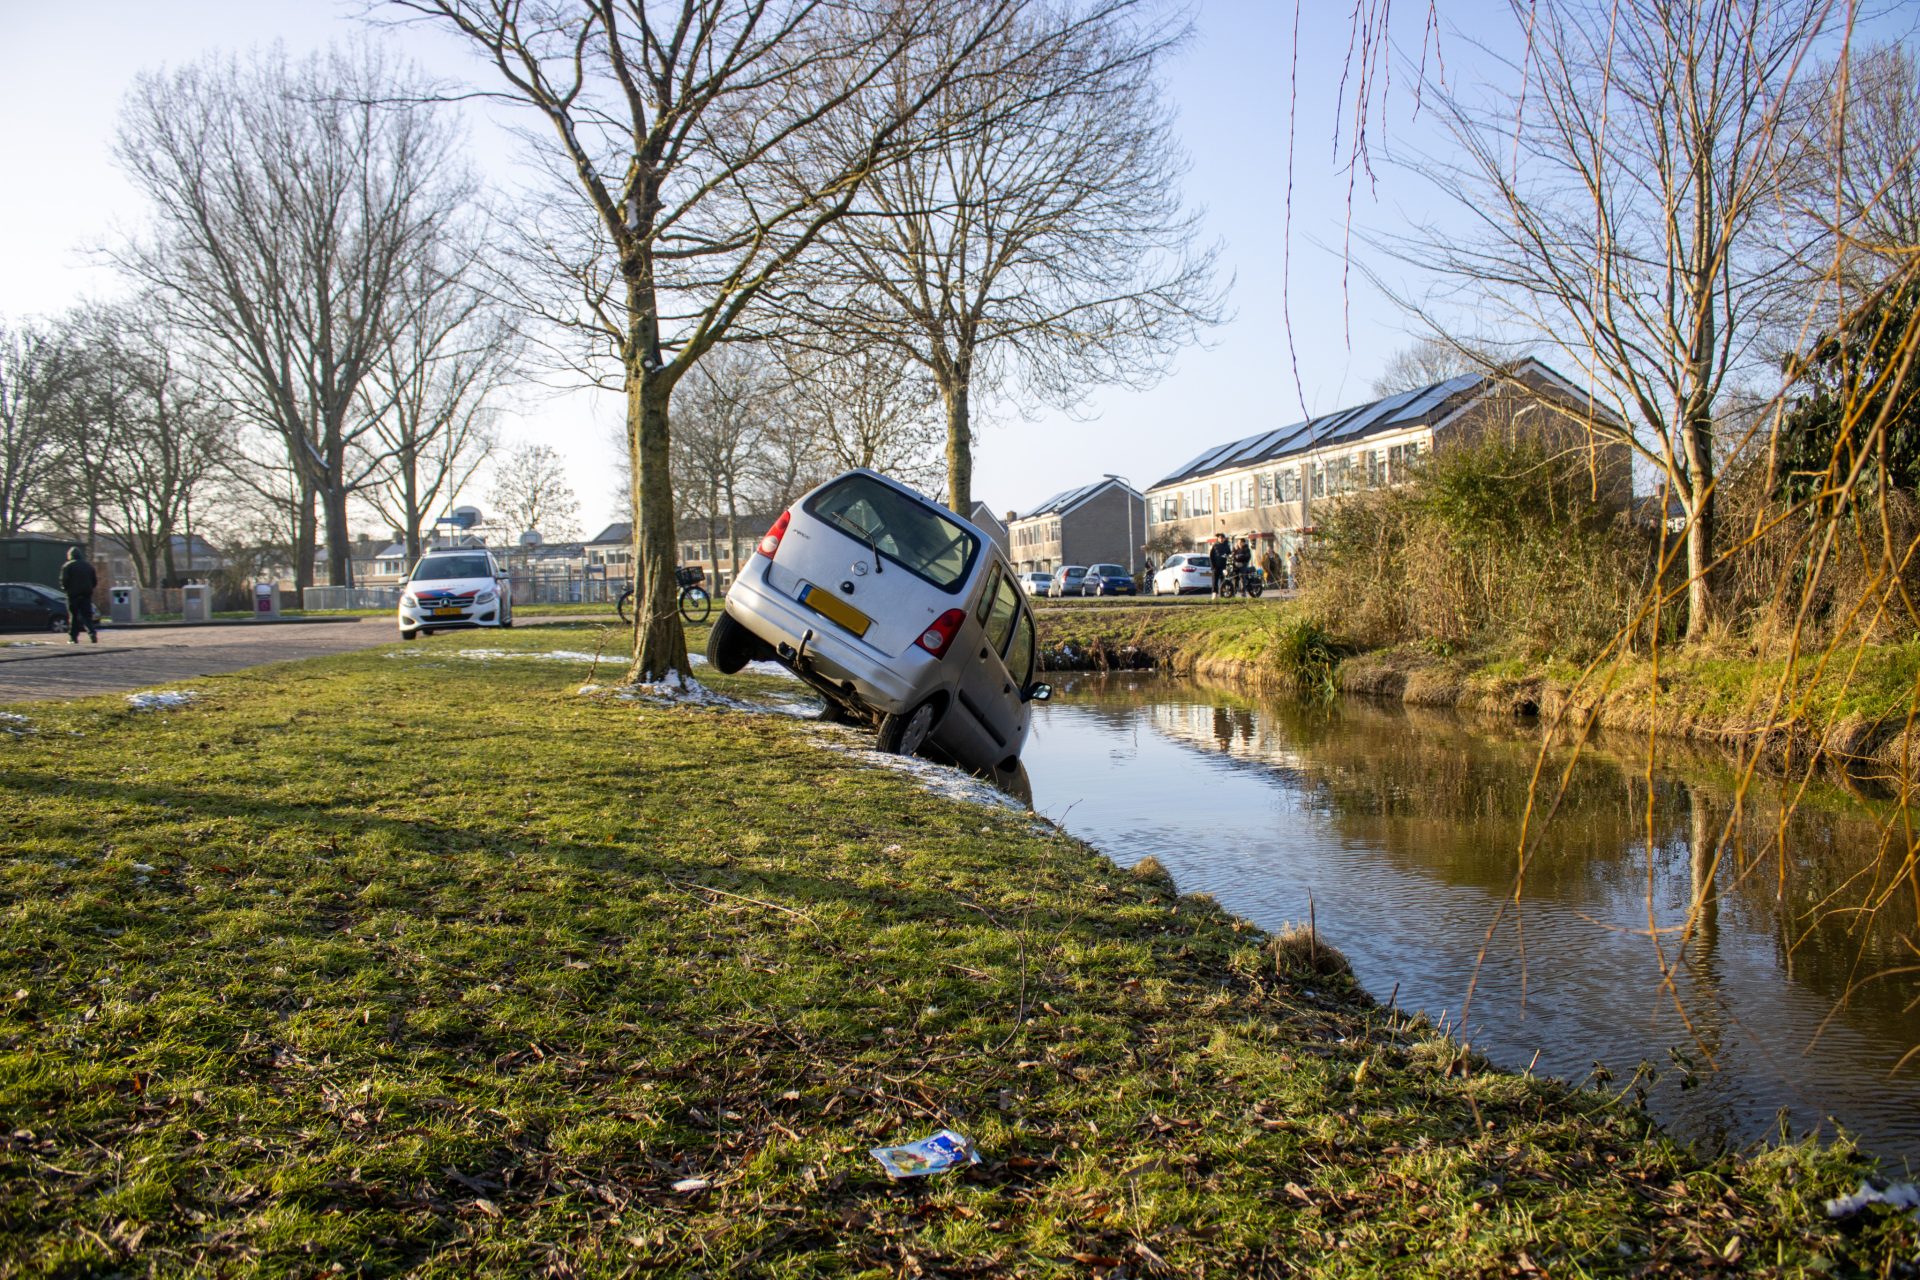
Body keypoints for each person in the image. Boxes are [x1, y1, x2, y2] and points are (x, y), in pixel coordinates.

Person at [60, 546, 99, 644]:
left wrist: (66, 589)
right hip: (86, 594)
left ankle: (73, 637)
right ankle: (92, 634)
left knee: (73, 616)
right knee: (87, 616)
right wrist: (89, 589)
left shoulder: (67, 566)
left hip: (73, 595)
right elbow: (94, 581)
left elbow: (64, 580)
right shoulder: (88, 566)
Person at [1207, 532, 1229, 597]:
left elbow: (1230, 556)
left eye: (1222, 538)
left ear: (1224, 539)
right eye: (1219, 538)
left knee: (1224, 581)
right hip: (1216, 567)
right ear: (1218, 539)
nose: (1221, 539)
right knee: (1215, 581)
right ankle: (1214, 593)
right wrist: (1213, 566)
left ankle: (1223, 594)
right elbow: (1211, 557)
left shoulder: (1227, 546)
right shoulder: (1215, 546)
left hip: (1224, 567)